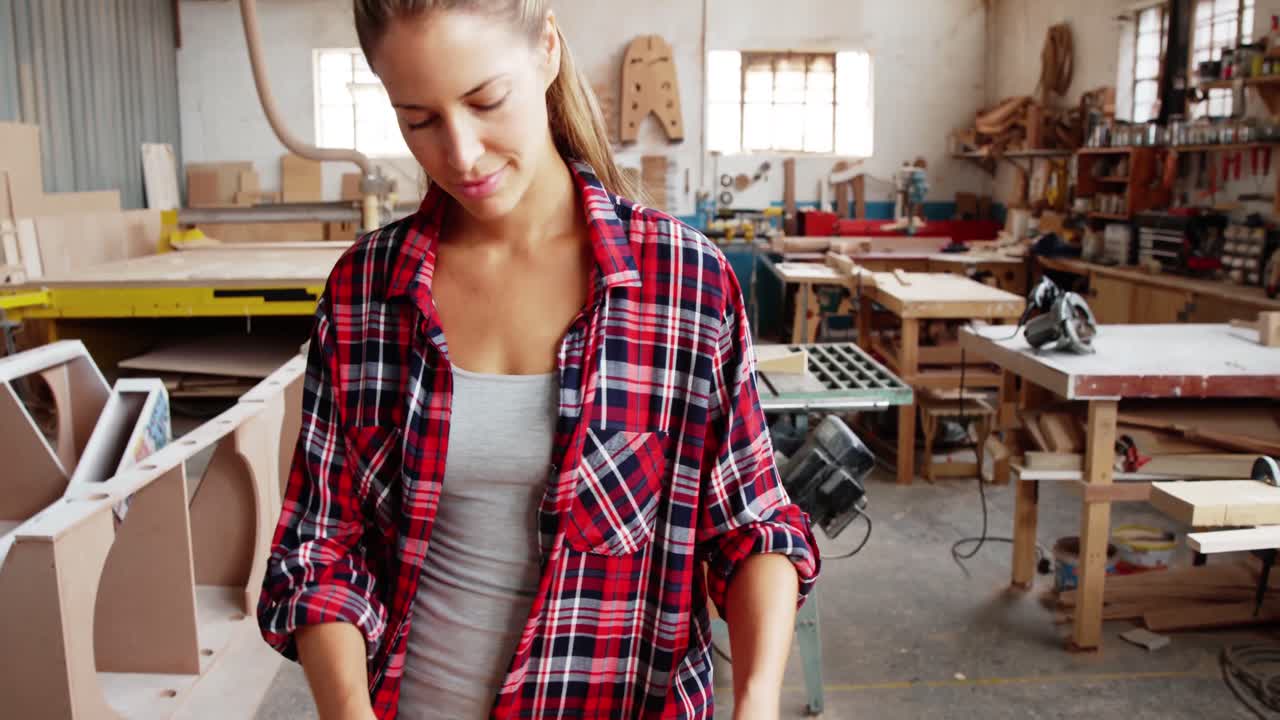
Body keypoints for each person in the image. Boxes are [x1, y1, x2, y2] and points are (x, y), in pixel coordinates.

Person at [256, 1, 820, 718]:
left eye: (486, 101)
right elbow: (322, 544)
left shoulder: (682, 285)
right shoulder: (367, 292)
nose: (460, 154)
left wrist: (759, 700)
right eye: (419, 120)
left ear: (547, 49)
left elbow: (752, 527)